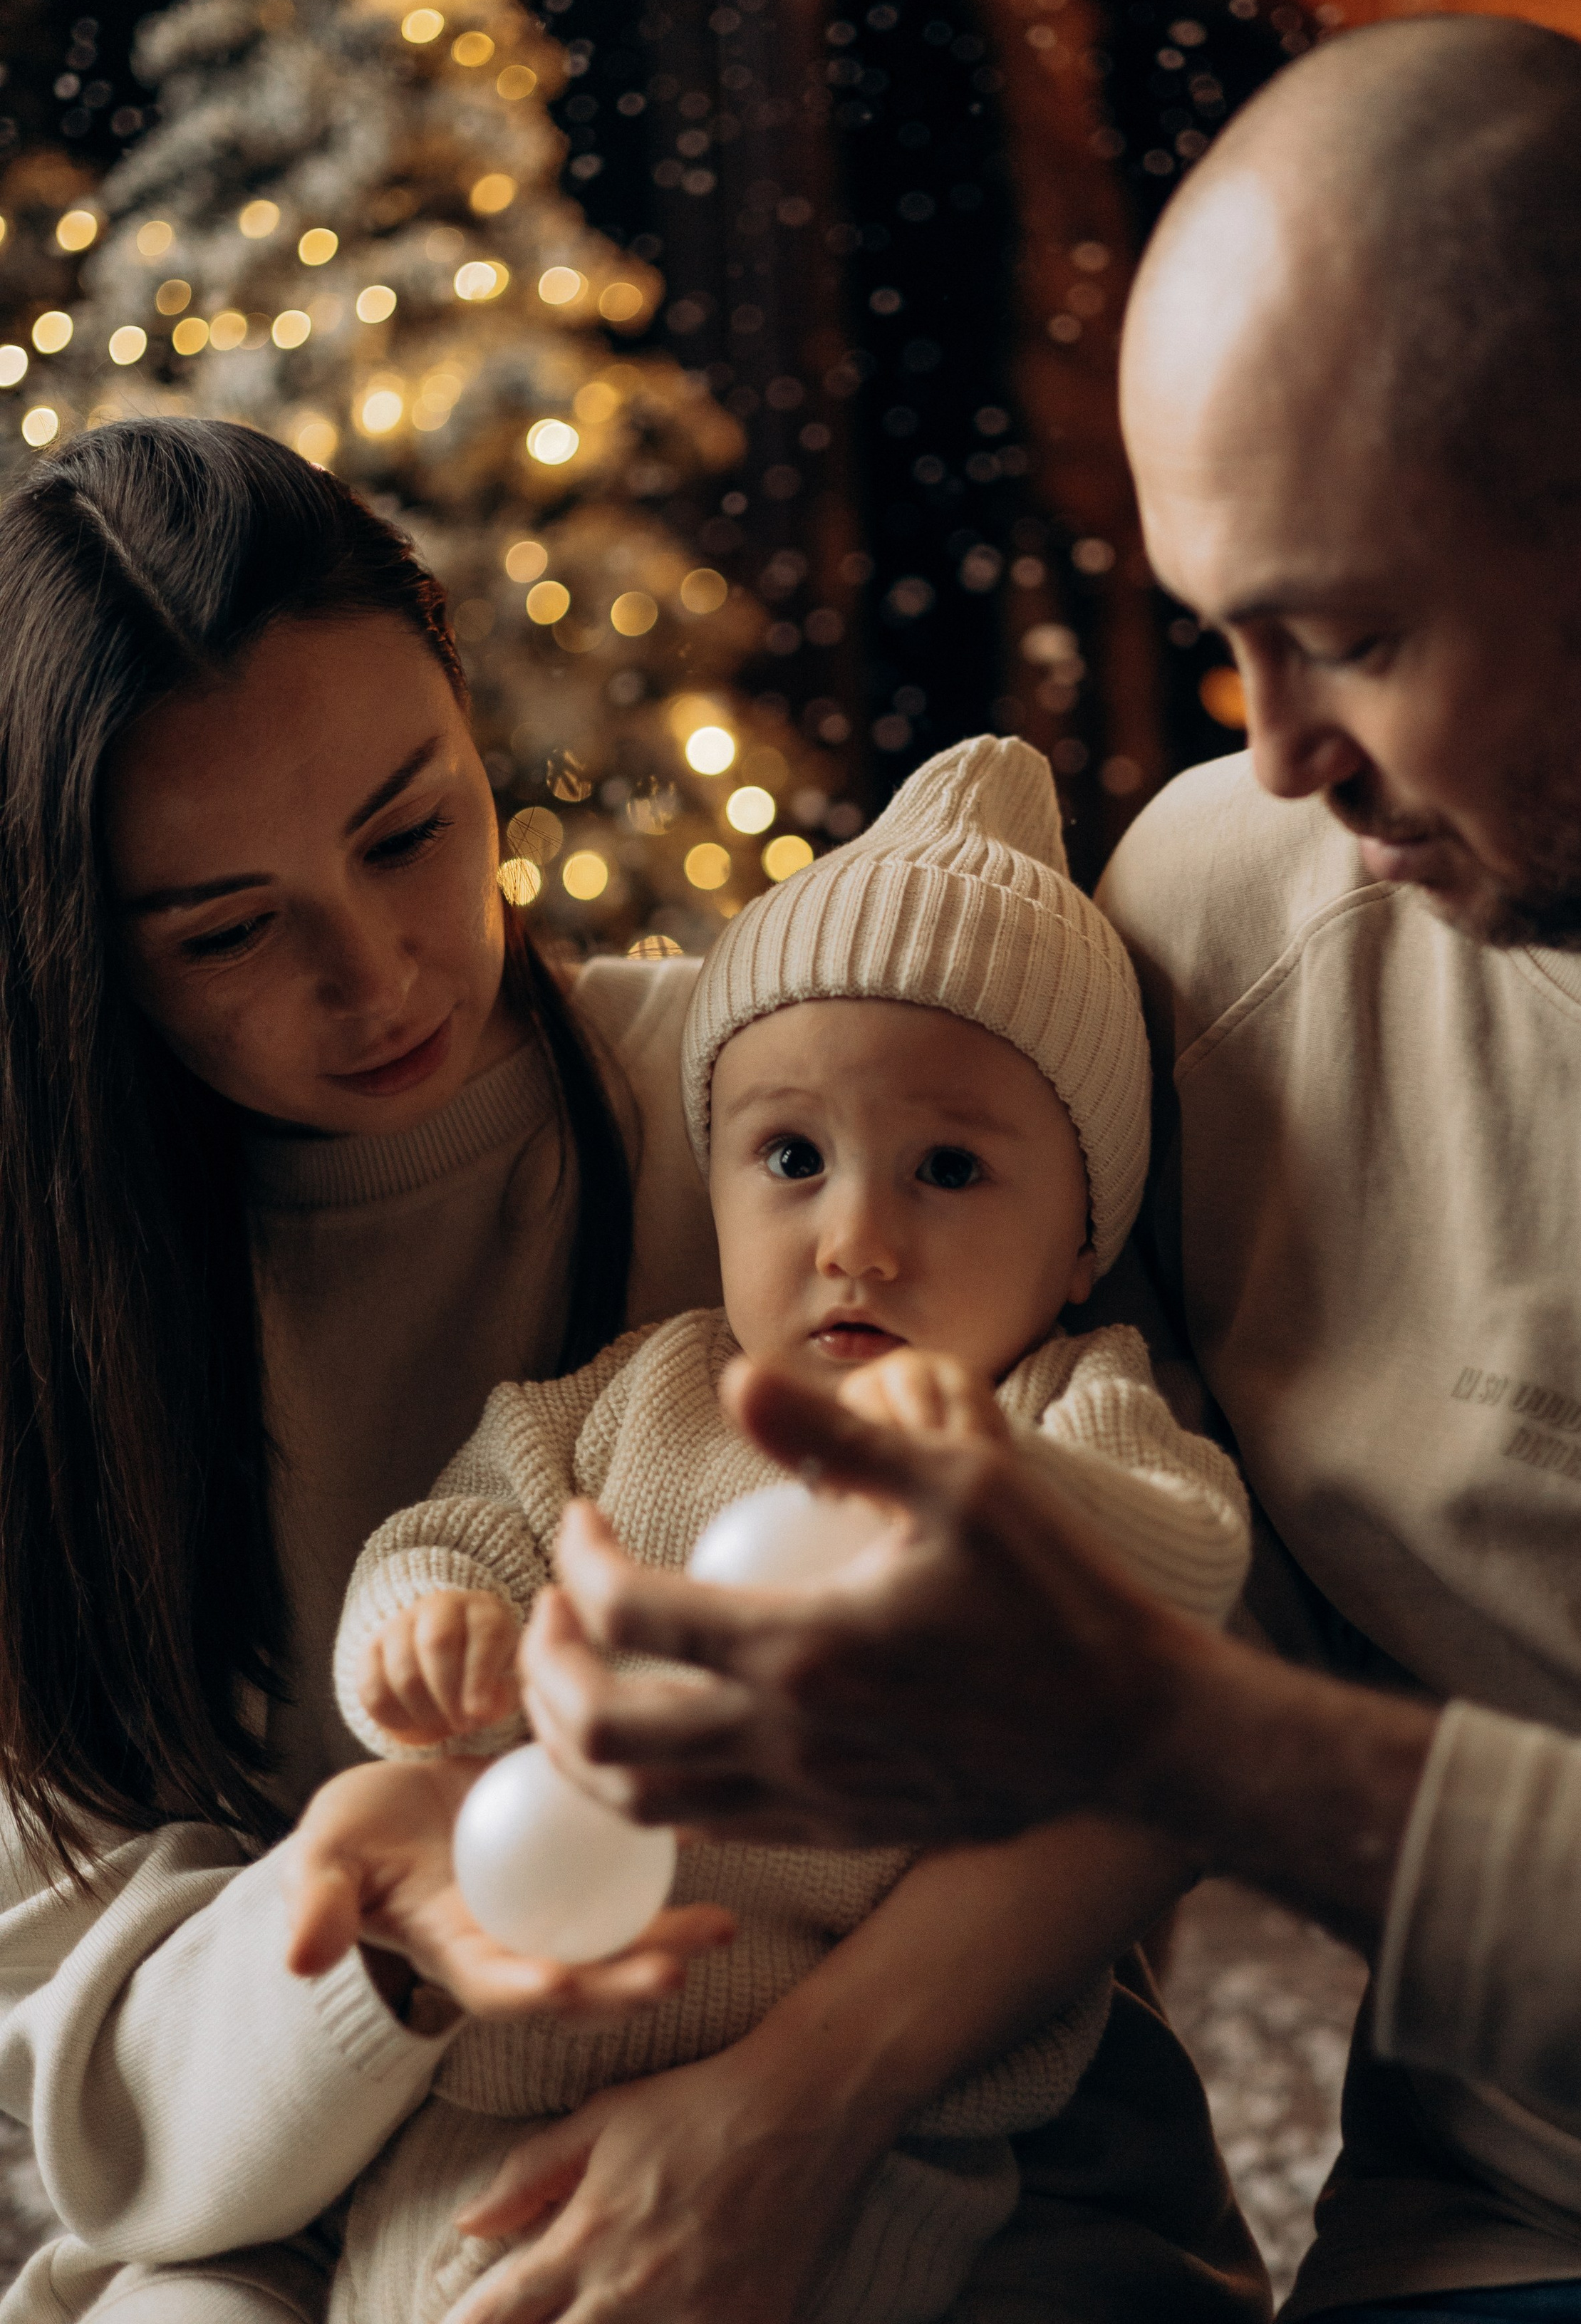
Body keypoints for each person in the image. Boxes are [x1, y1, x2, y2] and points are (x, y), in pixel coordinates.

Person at [515, 18, 1581, 2322]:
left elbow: (1148, 1692)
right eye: (1224, 638)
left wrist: (1177, 1730)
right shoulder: (1233, 917)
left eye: (1354, 634)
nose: (1278, 752)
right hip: (1479, 2259)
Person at [0, 422, 1252, 2324]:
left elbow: (1161, 1707)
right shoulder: (52, 1356)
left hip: (920, 2135)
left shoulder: (805, 1111)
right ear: (82, 953)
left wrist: (786, 2114)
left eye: (413, 829)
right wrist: (384, 1944)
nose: (383, 971)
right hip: (308, 2202)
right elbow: (98, 2101)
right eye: (233, 932)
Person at [289, 734, 1255, 2324]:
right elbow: (462, 1519)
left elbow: (1181, 1574)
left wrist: (1008, 1502)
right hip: (522, 2030)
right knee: (435, 2276)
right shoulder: (640, 1396)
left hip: (882, 2106)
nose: (857, 1242)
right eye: (792, 1159)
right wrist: (426, 1623)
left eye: (948, 1170)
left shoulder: (1059, 1413)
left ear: (1081, 1236)